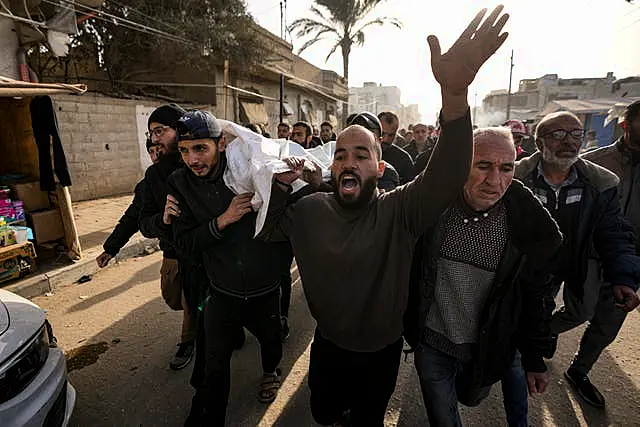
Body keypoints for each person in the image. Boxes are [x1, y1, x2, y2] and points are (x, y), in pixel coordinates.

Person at [259, 6, 510, 425]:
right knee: (323, 415)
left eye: (362, 154)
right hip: (329, 347)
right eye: (341, 155)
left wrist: (453, 97)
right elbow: (266, 232)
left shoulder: (399, 210)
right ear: (331, 167)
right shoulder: (310, 210)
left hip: (382, 353)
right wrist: (281, 185)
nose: (349, 161)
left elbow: (447, 175)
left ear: (380, 167)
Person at [404, 127, 562, 427]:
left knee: (471, 396)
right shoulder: (431, 208)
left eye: (506, 168)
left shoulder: (526, 227)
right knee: (443, 419)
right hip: (432, 346)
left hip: (487, 349)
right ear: (463, 164)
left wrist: (534, 358)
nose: (494, 180)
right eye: (483, 166)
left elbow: (536, 299)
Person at [167, 110, 292, 426]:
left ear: (221, 143)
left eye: (200, 148)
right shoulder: (180, 183)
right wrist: (221, 221)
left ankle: (269, 372)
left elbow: (284, 218)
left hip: (265, 289)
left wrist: (281, 187)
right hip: (221, 292)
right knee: (214, 366)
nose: (193, 159)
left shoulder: (250, 170)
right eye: (184, 150)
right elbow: (183, 243)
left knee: (271, 340)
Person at [512, 110, 640, 409]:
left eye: (576, 135)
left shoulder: (599, 182)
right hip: (530, 268)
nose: (568, 142)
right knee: (524, 318)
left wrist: (624, 277)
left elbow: (614, 232)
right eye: (558, 134)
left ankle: (569, 362)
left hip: (580, 259)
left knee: (584, 311)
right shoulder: (516, 177)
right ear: (539, 141)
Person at [570, 100, 640, 407]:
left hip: (630, 261)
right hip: (589, 254)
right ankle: (531, 343)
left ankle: (579, 370)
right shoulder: (594, 162)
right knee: (579, 311)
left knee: (608, 323)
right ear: (625, 125)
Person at [138, 103, 198, 371]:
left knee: (194, 302)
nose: (155, 138)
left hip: (202, 252)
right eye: (152, 133)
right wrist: (161, 220)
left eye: (160, 131)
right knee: (174, 298)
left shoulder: (199, 164)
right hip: (173, 253)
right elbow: (142, 222)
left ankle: (189, 342)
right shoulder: (153, 175)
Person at [96, 138, 160, 268]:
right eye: (151, 151)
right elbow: (132, 218)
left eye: (159, 150)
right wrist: (110, 248)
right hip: (174, 255)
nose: (156, 156)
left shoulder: (190, 173)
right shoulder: (147, 184)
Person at [347, 112, 401, 192]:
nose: (361, 139)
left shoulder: (387, 173)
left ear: (379, 141)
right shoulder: (338, 165)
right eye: (356, 133)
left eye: (368, 134)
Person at [377, 111, 416, 184]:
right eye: (382, 133)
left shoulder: (404, 159)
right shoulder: (361, 153)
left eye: (391, 135)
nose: (385, 139)